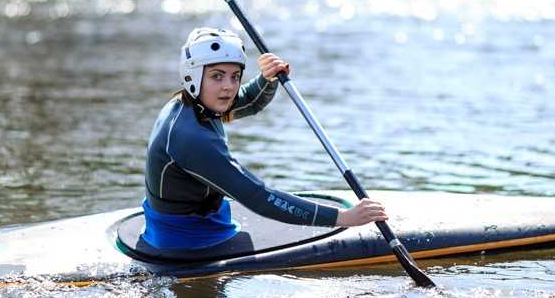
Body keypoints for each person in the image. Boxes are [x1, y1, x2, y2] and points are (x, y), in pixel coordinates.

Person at [140, 26, 388, 256]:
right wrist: (344, 218)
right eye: (217, 76)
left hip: (190, 221)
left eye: (235, 76)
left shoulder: (190, 105)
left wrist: (267, 79)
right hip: (188, 240)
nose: (228, 87)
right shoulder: (191, 138)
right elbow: (258, 197)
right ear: (192, 76)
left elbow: (248, 101)